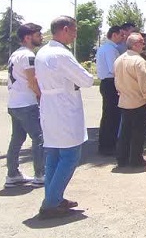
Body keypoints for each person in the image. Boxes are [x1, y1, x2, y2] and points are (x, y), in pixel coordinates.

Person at [35, 16, 95, 219]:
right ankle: (51, 203)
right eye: (74, 30)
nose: (75, 34)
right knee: (70, 156)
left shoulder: (43, 52)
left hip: (49, 108)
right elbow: (86, 80)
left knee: (53, 156)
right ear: (66, 29)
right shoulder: (61, 54)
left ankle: (54, 196)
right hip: (64, 108)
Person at [5, 23, 45, 188]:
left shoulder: (15, 54)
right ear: (28, 37)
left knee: (17, 139)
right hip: (27, 104)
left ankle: (12, 174)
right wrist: (41, 96)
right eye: (38, 35)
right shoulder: (28, 56)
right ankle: (40, 174)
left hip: (14, 103)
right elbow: (32, 81)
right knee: (39, 138)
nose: (41, 37)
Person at [114, 33, 146, 168]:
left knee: (125, 132)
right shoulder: (139, 61)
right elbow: (144, 82)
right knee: (138, 132)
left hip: (124, 100)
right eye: (142, 43)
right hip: (138, 101)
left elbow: (116, 80)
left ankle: (122, 158)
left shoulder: (119, 59)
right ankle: (136, 159)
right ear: (136, 45)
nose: (144, 45)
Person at [96, 26, 124, 156]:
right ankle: (108, 145)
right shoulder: (110, 49)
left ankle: (107, 144)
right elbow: (114, 69)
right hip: (110, 83)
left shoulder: (106, 48)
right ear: (114, 35)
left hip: (107, 83)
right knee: (111, 116)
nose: (122, 38)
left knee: (110, 115)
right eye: (121, 35)